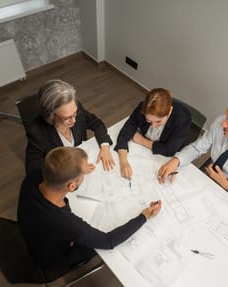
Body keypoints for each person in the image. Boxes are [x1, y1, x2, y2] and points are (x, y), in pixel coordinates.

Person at [17, 146, 162, 275]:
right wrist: (144, 216)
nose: (85, 175)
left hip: (32, 232)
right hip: (51, 261)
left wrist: (77, 168)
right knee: (96, 247)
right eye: (82, 176)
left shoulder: (34, 175)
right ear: (72, 187)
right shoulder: (63, 221)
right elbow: (108, 241)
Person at [25, 79, 115, 173]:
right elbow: (33, 172)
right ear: (50, 116)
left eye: (75, 113)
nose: (74, 120)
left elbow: (96, 123)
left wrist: (104, 146)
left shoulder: (73, 107)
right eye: (67, 118)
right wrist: (73, 170)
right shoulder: (36, 132)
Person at [115, 88, 191, 179]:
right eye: (149, 121)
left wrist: (142, 141)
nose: (154, 126)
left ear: (170, 111)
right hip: (148, 152)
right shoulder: (142, 108)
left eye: (158, 121)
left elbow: (169, 150)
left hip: (165, 158)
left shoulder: (182, 118)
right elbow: (125, 132)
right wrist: (123, 162)